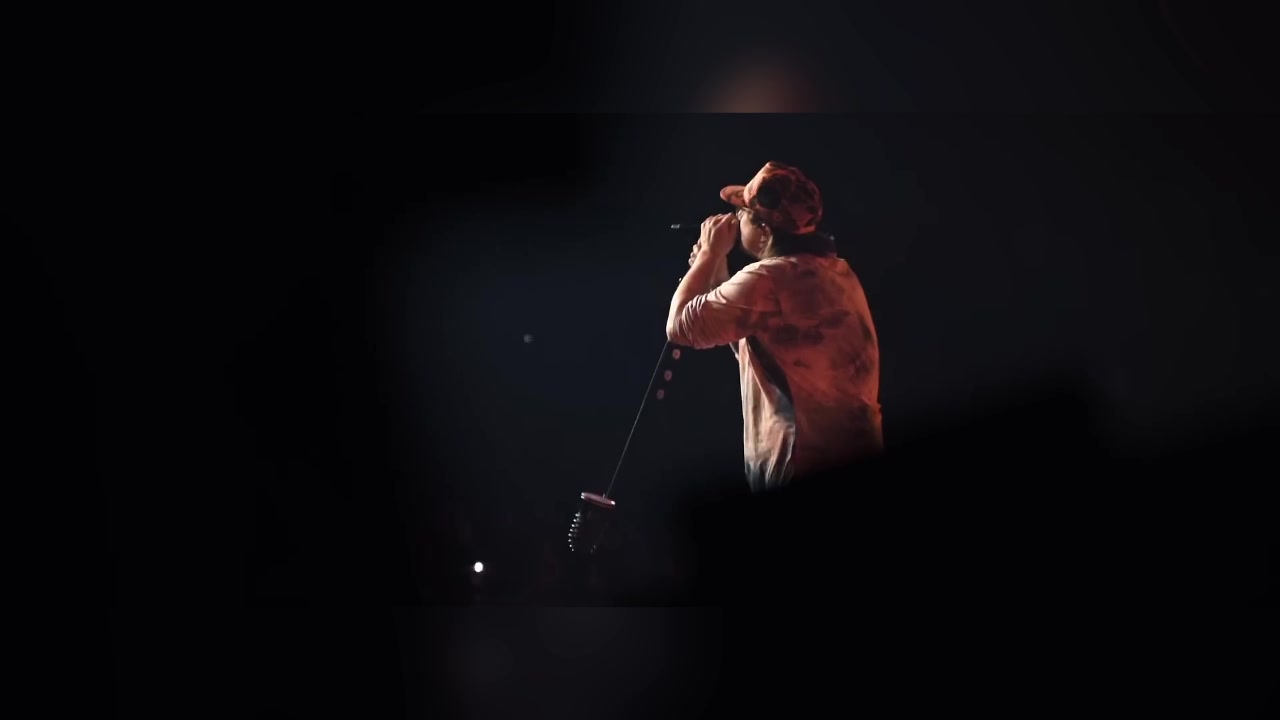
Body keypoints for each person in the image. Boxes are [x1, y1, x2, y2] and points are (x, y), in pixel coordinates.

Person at [666, 161, 883, 493]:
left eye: (743, 213)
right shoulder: (835, 272)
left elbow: (680, 326)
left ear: (765, 229)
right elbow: (758, 345)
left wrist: (709, 253)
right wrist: (716, 271)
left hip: (800, 458)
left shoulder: (769, 278)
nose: (736, 219)